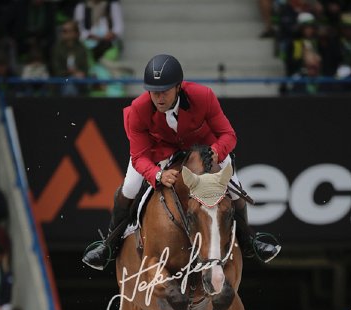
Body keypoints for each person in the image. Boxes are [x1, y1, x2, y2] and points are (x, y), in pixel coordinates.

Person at [83, 54, 281, 270]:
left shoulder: (203, 96)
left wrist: (216, 151)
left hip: (204, 149)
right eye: (154, 92)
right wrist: (157, 175)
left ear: (178, 87)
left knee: (235, 188)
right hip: (159, 152)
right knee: (130, 187)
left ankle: (249, 241)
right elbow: (139, 156)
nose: (159, 98)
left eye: (165, 91)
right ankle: (109, 245)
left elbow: (228, 135)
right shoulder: (138, 109)